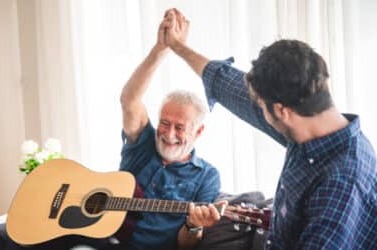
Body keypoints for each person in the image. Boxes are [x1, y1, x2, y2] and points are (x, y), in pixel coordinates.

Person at [162, 8, 377, 249]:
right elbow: (229, 85)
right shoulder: (308, 122)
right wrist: (178, 46)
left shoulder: (343, 184)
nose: (258, 111)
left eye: (261, 107)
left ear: (282, 111)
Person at [118, 13, 225, 250]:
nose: (169, 134)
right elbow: (129, 99)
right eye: (164, 123)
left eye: (180, 127)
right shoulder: (143, 144)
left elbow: (185, 245)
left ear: (198, 132)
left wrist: (194, 226)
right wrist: (161, 49)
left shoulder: (206, 176)